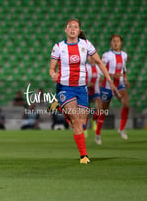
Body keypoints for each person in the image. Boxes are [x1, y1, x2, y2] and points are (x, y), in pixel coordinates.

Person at [49, 18, 118, 164]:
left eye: (75, 27)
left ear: (79, 31)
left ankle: (64, 110)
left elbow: (99, 62)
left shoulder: (86, 45)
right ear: (66, 30)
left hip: (81, 89)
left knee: (81, 122)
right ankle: (84, 156)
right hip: (65, 88)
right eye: (70, 27)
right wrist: (53, 74)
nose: (73, 29)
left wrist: (110, 81)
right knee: (76, 120)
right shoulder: (58, 47)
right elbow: (52, 68)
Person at [95, 34, 130, 145]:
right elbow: (100, 69)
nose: (116, 43)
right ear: (111, 42)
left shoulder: (124, 55)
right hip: (107, 85)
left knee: (126, 105)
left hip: (119, 84)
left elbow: (124, 68)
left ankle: (121, 129)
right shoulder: (107, 55)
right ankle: (98, 133)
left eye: (118, 41)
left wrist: (125, 78)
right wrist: (112, 75)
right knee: (104, 111)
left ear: (121, 43)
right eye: (114, 41)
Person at [86, 56, 103, 138]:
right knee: (85, 112)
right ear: (87, 58)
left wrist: (99, 83)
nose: (92, 59)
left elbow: (101, 78)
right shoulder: (85, 67)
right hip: (85, 92)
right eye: (90, 58)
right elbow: (80, 79)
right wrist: (88, 83)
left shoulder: (98, 67)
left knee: (100, 109)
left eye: (93, 58)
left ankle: (93, 120)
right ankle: (84, 129)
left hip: (95, 91)